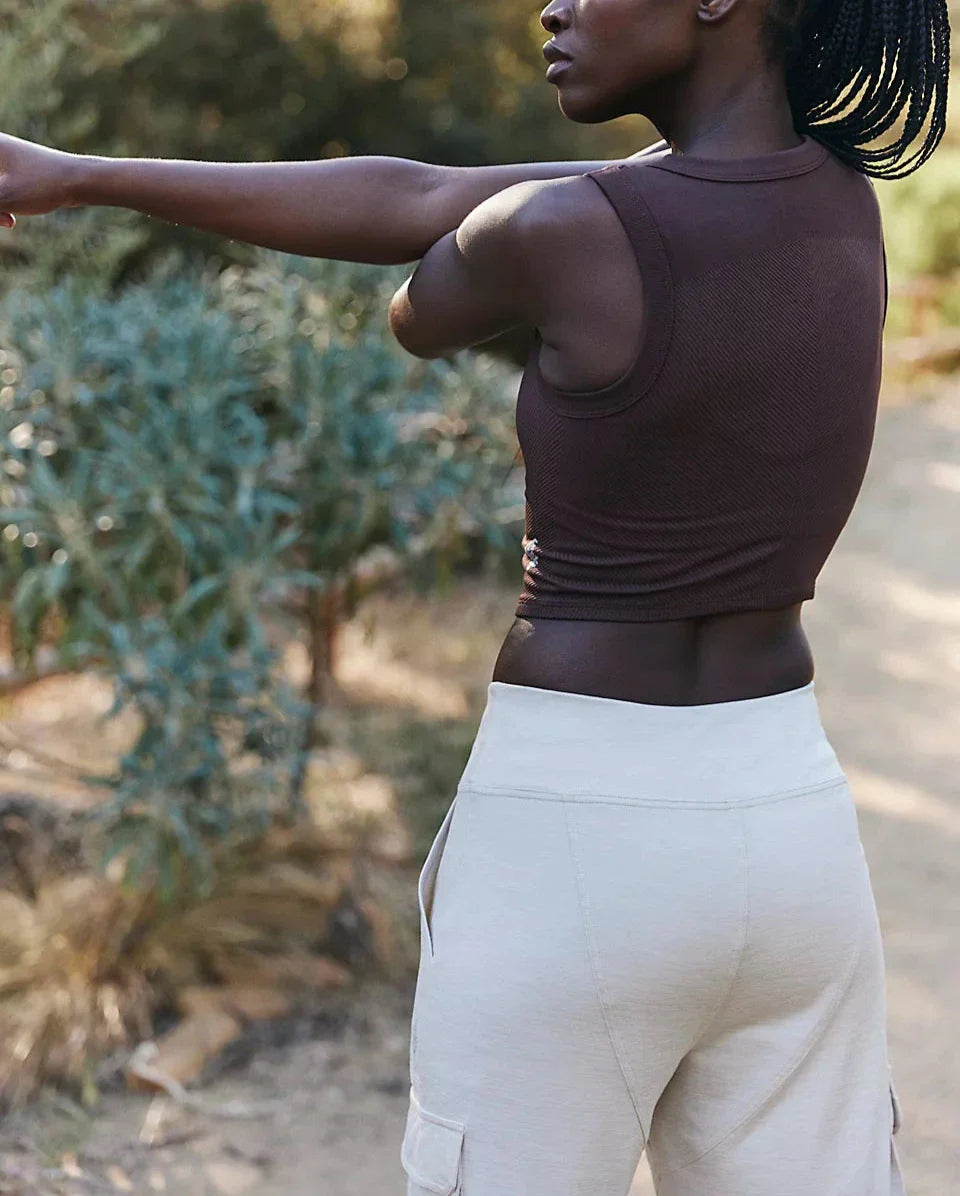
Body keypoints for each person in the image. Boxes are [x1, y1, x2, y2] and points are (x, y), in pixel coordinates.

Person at [0, 0, 951, 1191]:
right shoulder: (843, 207)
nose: (553, 5)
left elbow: (419, 268)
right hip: (792, 820)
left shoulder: (563, 230)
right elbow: (652, 190)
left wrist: (84, 176)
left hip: (577, 837)